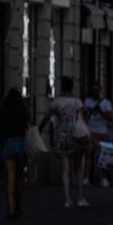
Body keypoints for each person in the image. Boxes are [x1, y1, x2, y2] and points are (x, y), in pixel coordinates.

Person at [41, 76, 90, 207]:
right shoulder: (77, 102)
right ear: (72, 86)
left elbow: (47, 117)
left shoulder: (56, 102)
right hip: (76, 135)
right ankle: (80, 198)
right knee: (79, 167)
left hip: (62, 135)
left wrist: (39, 128)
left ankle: (67, 199)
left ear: (61, 86)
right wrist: (87, 134)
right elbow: (82, 119)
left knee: (65, 168)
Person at [0, 88, 29, 219]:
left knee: (10, 178)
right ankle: (19, 208)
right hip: (20, 144)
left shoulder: (3, 112)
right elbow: (26, 129)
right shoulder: (23, 113)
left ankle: (10, 210)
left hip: (7, 144)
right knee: (20, 179)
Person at [84, 82, 113, 187]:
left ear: (100, 91)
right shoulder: (87, 102)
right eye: (93, 90)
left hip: (102, 132)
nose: (95, 92)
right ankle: (86, 177)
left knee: (103, 156)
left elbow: (110, 118)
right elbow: (83, 117)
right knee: (88, 154)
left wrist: (101, 111)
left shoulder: (106, 103)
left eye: (97, 90)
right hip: (90, 131)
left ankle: (103, 178)